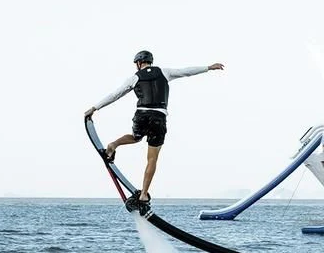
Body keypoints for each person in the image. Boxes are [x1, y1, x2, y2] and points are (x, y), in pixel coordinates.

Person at [84, 50, 225, 213]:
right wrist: (208, 67)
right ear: (150, 61)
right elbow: (186, 71)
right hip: (159, 117)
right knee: (152, 159)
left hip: (142, 115)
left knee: (136, 137)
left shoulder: (134, 78)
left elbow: (115, 94)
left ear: (138, 63)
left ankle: (114, 144)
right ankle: (143, 195)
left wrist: (95, 108)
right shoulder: (165, 72)